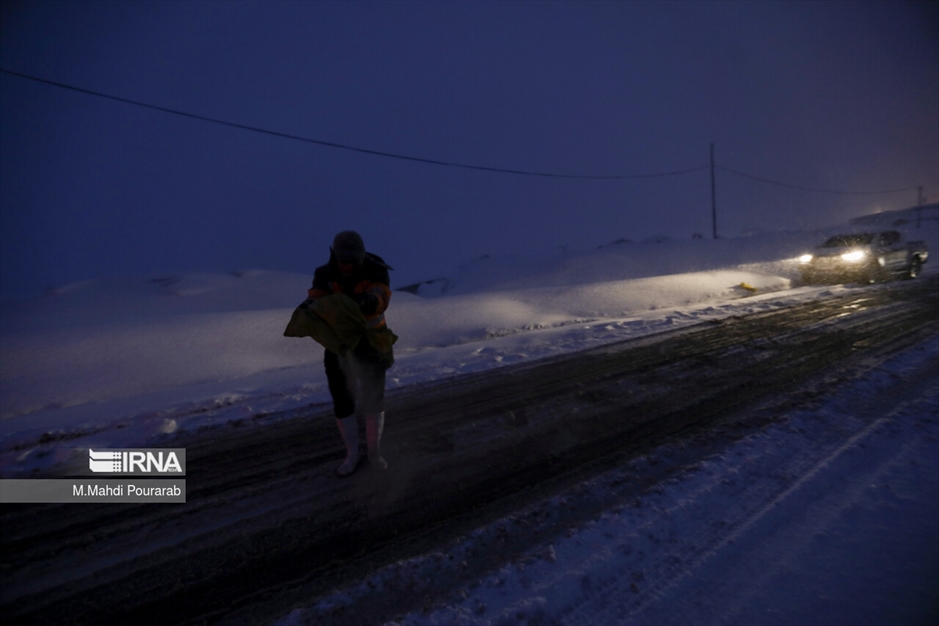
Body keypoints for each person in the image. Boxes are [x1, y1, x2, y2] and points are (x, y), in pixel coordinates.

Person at [306, 231, 394, 476]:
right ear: (335, 257)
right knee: (342, 400)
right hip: (338, 346)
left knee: (373, 398)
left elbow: (381, 296)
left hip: (371, 343)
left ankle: (374, 454)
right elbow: (316, 297)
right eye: (345, 261)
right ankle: (352, 455)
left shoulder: (376, 269)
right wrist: (312, 306)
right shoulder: (324, 274)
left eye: (355, 261)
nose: (349, 266)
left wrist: (366, 301)